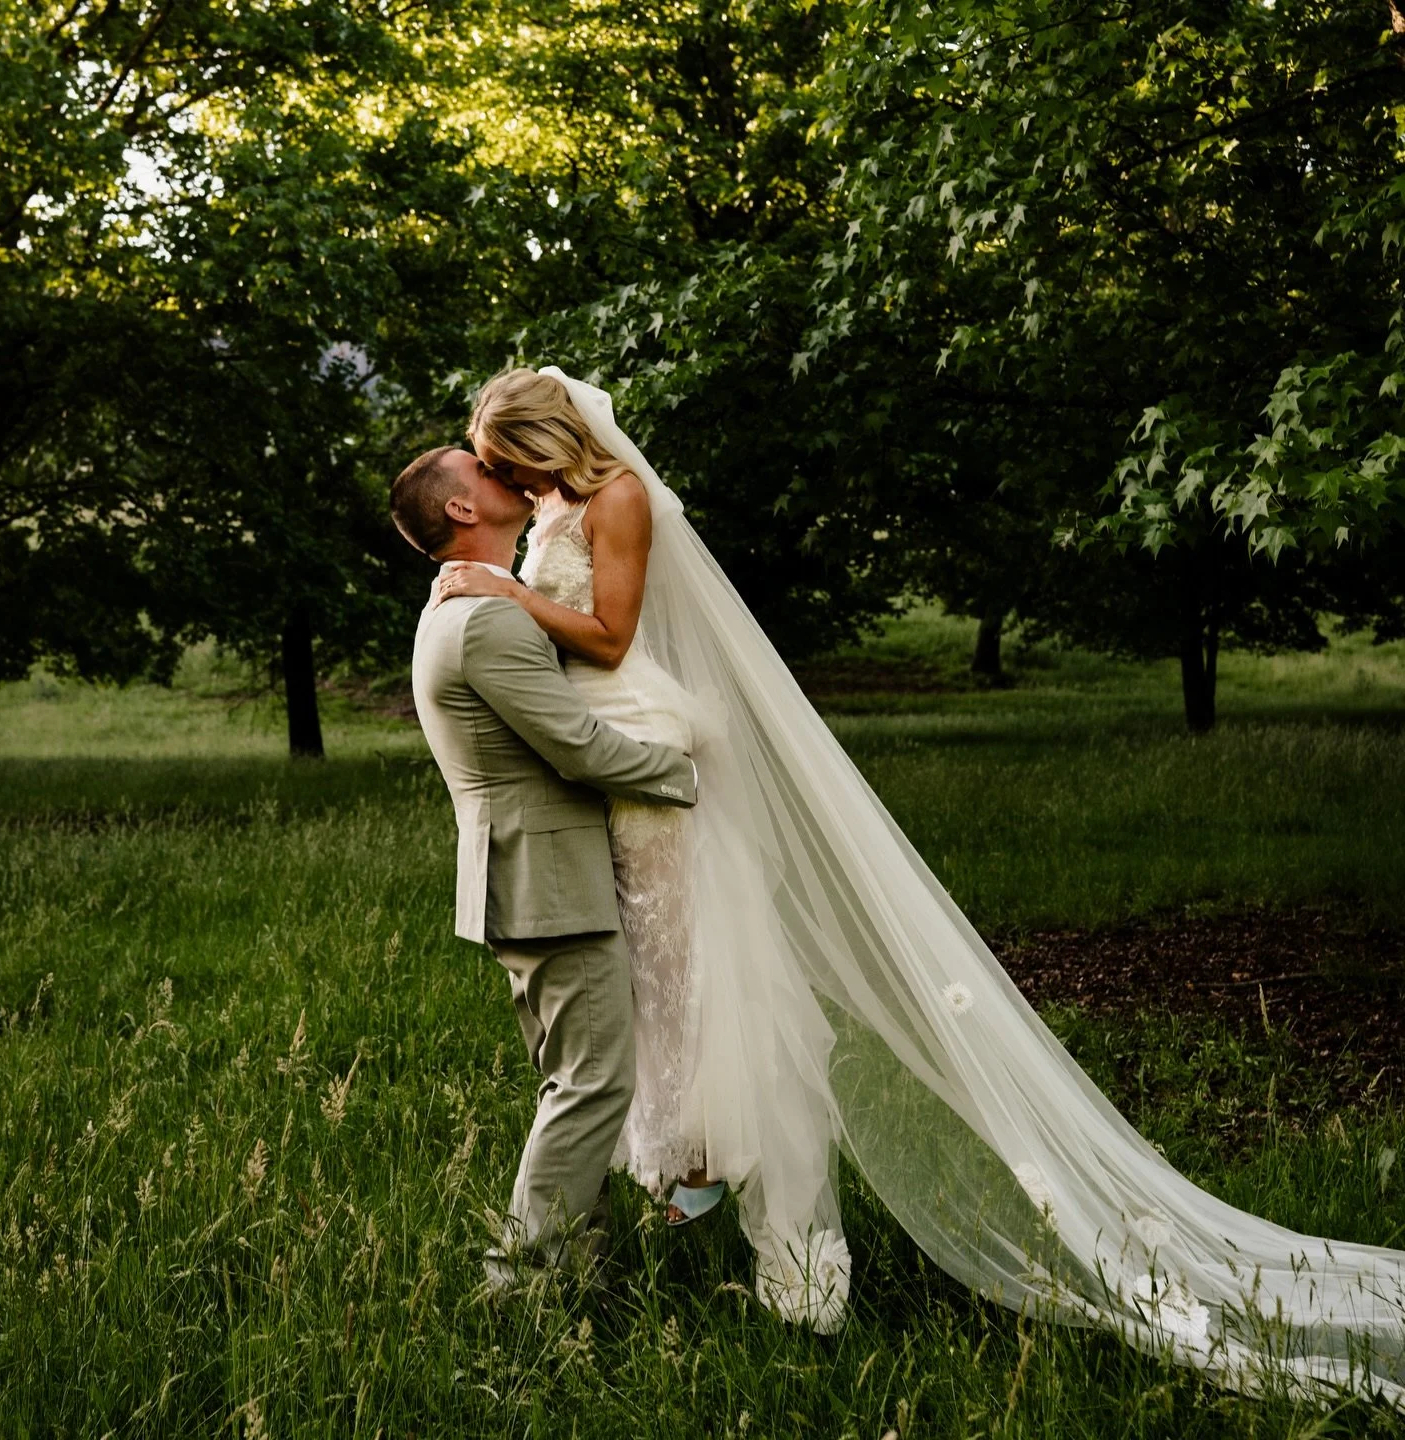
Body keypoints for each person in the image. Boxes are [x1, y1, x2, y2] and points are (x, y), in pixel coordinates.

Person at [421, 365, 1405, 1405]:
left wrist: (511, 592)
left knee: (709, 983)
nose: (501, 481)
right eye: (489, 470)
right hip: (606, 775)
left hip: (646, 759)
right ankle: (691, 1181)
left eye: (506, 460)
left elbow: (612, 638)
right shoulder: (552, 505)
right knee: (662, 999)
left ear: (543, 439)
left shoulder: (616, 496)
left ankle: (782, 1251)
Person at [392, 445, 697, 1291]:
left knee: (577, 1078)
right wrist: (693, 775)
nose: (508, 472)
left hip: (528, 878)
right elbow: (579, 746)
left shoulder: (465, 607)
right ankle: (523, 1285)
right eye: (482, 470)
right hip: (547, 881)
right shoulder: (483, 620)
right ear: (460, 510)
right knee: (594, 1084)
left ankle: (580, 1269)